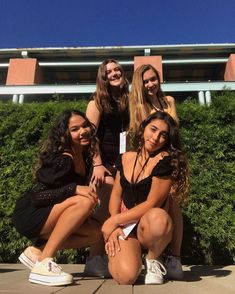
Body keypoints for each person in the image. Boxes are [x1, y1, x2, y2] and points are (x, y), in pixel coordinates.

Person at [12, 110, 103, 286]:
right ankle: (44, 261)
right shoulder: (63, 158)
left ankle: (37, 251)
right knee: (85, 200)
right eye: (74, 129)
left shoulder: (84, 156)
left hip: (50, 213)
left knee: (95, 233)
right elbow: (38, 197)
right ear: (65, 134)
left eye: (85, 125)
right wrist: (74, 188)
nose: (83, 131)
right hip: (31, 214)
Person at [101, 111, 189, 285]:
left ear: (167, 140)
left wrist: (114, 220)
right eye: (153, 129)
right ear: (143, 129)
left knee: (159, 218)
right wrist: (114, 224)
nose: (156, 137)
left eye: (163, 135)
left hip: (147, 224)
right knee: (127, 277)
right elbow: (116, 194)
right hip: (125, 226)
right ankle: (118, 259)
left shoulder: (165, 161)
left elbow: (152, 203)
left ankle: (153, 259)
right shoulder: (125, 157)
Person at [128, 64, 184, 279]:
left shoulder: (169, 101)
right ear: (140, 85)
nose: (151, 84)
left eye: (154, 79)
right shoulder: (139, 107)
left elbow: (174, 132)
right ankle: (154, 258)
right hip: (152, 163)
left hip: (171, 159)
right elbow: (141, 139)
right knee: (158, 206)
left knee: (175, 205)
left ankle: (176, 259)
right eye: (146, 81)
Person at [84, 59, 129, 276]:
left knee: (120, 212)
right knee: (105, 211)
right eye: (109, 71)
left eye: (117, 69)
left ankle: (111, 257)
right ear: (103, 77)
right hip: (104, 164)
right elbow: (89, 136)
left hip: (124, 164)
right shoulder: (96, 102)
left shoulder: (129, 100)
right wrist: (97, 164)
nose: (114, 73)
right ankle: (94, 258)